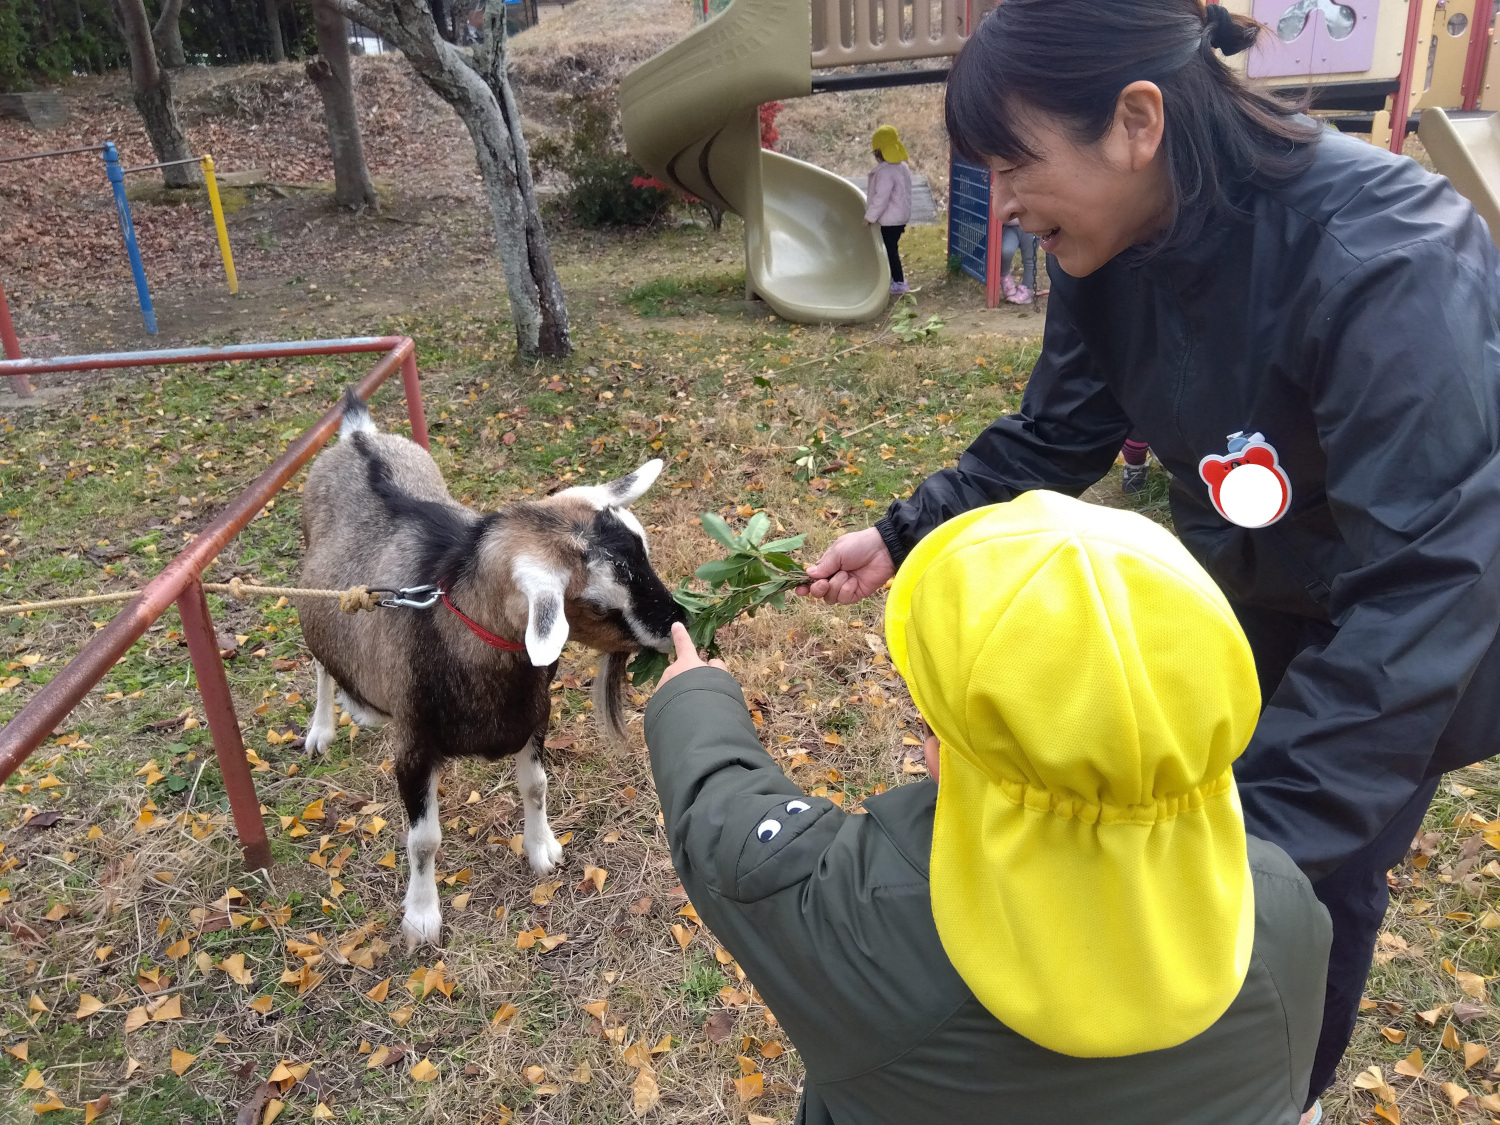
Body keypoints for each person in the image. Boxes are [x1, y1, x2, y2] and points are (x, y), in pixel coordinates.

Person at [799, 1, 1500, 1117]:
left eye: (1014, 165)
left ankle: (1284, 1093)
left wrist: (1251, 851)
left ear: (1136, 122)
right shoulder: (1111, 243)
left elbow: (1430, 582)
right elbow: (1060, 429)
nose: (1009, 206)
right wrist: (900, 532)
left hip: (1394, 643)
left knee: (1312, 883)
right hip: (1240, 604)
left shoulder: (1386, 257)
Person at [646, 492, 1330, 1125]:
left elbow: (726, 828)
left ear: (943, 752)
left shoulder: (858, 920)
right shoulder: (1280, 905)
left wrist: (696, 696)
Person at [865, 125, 913, 296]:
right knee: (890, 248)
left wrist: (869, 217)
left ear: (879, 152)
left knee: (889, 250)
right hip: (900, 217)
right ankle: (893, 279)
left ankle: (898, 282)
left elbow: (881, 197)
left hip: (889, 219)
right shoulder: (902, 167)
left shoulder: (886, 171)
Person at [999, 218, 1039, 303]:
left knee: (1029, 259)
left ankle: (1026, 289)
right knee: (1005, 251)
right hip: (1010, 227)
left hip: (1031, 227)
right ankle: (1005, 277)